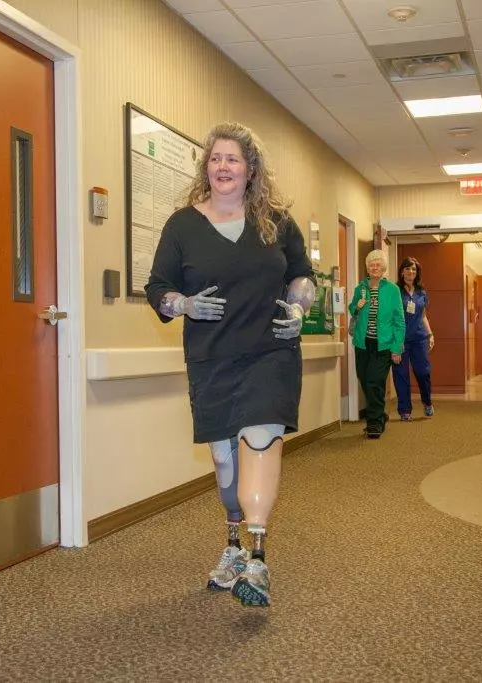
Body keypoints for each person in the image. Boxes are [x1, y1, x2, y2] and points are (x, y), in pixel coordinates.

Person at [145, 122, 315, 608]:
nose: (223, 166)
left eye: (233, 159)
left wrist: (300, 307)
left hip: (270, 350)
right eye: (216, 158)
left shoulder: (277, 222)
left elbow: (303, 275)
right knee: (225, 459)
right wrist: (183, 305)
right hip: (211, 357)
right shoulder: (182, 225)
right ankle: (233, 545)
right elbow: (158, 286)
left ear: (250, 169)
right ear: (206, 168)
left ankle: (259, 559)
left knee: (261, 438)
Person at [349, 249, 405, 438]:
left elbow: (399, 320)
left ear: (383, 269)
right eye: (371, 265)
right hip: (362, 343)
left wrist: (397, 348)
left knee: (375, 381)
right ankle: (380, 413)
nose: (375, 267)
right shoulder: (360, 288)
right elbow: (352, 310)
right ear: (367, 268)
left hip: (384, 345)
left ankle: (374, 423)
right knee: (364, 379)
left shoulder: (393, 290)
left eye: (378, 265)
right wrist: (356, 307)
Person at [390, 257, 435, 420]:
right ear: (402, 272)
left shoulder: (421, 292)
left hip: (419, 339)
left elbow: (423, 316)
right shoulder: (395, 291)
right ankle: (404, 410)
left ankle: (427, 401)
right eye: (408, 268)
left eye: (414, 269)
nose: (411, 272)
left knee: (423, 372)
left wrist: (430, 334)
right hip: (400, 340)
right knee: (401, 374)